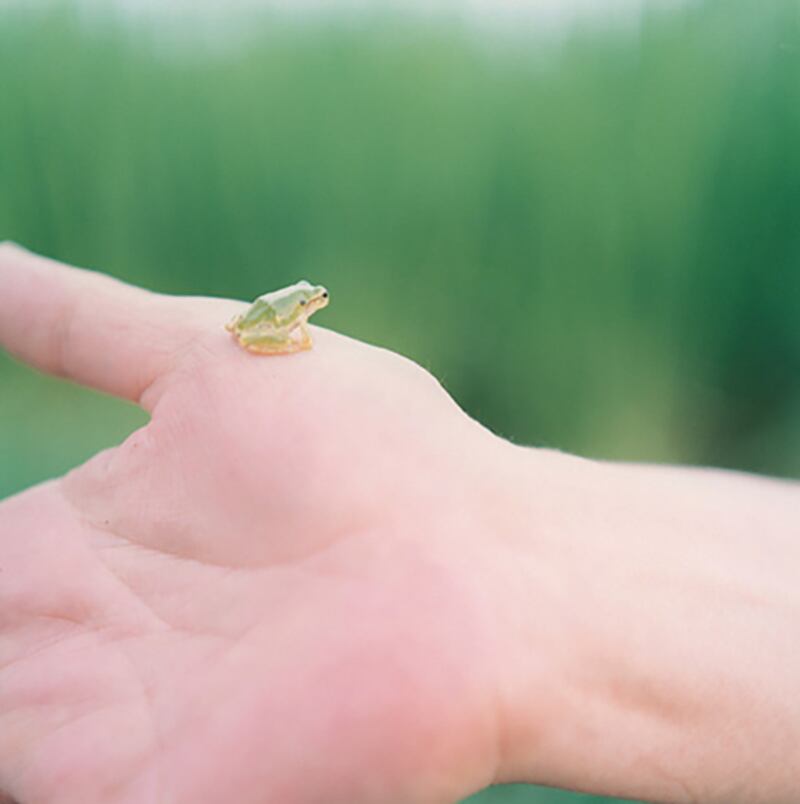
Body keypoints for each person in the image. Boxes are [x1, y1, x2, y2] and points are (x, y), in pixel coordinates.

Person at [0, 242, 797, 804]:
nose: (318, 304)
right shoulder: (286, 320)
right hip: (257, 338)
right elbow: (264, 329)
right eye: (315, 300)